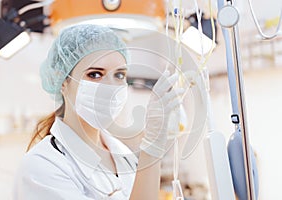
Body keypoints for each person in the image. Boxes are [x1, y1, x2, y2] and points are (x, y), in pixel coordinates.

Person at [13, 24, 183, 200]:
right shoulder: (42, 167)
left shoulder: (122, 155)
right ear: (62, 80)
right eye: (95, 74)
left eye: (119, 75)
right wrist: (151, 150)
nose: (110, 86)